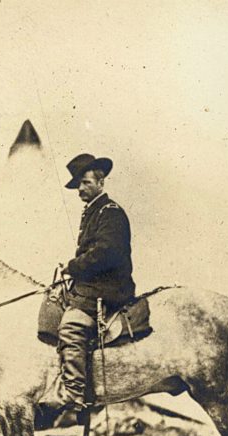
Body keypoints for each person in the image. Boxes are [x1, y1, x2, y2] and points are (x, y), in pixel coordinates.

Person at [56, 153, 136, 417]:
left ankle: (74, 395)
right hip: (95, 285)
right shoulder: (94, 211)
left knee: (71, 327)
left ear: (101, 183)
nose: (80, 189)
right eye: (78, 184)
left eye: (86, 183)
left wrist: (73, 266)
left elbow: (105, 253)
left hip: (109, 288)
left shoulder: (110, 212)